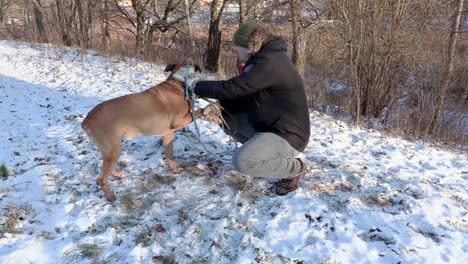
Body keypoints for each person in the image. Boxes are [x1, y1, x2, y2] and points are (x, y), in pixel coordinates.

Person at [175, 21, 310, 195]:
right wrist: (220, 108)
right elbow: (247, 94)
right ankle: (267, 154)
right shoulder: (265, 58)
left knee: (242, 162)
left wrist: (195, 85)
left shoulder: (271, 63)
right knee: (228, 120)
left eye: (237, 46)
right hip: (271, 126)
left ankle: (295, 168)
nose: (234, 50)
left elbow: (232, 88)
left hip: (288, 135)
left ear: (249, 47)